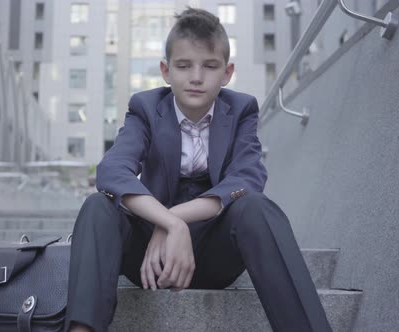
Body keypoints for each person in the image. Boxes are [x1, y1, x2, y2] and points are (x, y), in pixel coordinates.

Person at [65, 8, 332, 332]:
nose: (196, 76)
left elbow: (247, 179)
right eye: (183, 65)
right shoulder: (146, 108)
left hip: (212, 254)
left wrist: (176, 217)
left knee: (258, 208)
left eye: (209, 66)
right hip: (149, 259)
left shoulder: (242, 110)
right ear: (165, 70)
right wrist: (164, 223)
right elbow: (112, 171)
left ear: (227, 72)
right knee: (97, 206)